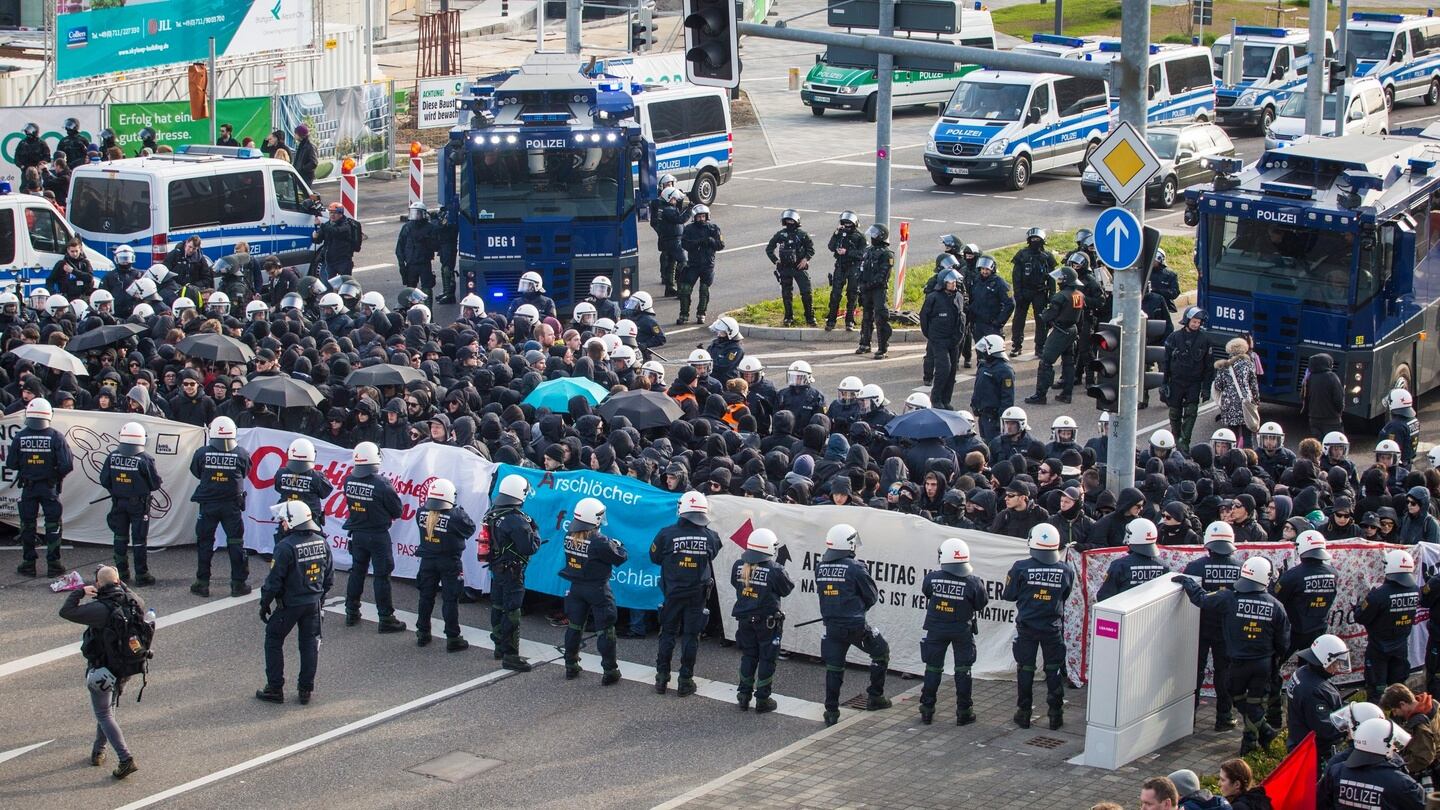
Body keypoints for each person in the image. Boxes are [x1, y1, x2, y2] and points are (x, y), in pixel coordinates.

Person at [1178, 556, 1290, 755]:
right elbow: (1283, 642)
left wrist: (1187, 582)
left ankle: (1250, 745)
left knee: (1236, 697)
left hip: (1237, 664)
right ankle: (1261, 734)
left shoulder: (1229, 598)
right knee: (1255, 702)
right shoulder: (1276, 606)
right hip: (1263, 664)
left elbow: (1201, 599)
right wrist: (1275, 661)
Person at [59, 565, 144, 779]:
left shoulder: (100, 610)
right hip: (127, 667)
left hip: (103, 669)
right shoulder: (135, 602)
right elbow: (126, 591)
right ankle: (98, 751)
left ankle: (125, 759)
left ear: (98, 585)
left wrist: (79, 592)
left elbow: (66, 611)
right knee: (108, 710)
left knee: (104, 713)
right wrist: (114, 578)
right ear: (118, 582)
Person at [255, 500, 333, 705]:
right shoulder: (321, 541)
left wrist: (265, 604)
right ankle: (305, 690)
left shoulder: (285, 547)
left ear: (293, 521)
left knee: (273, 639)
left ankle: (274, 688)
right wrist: (319, 599)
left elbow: (273, 582)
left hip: (290, 605)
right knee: (309, 644)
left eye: (283, 520)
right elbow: (329, 577)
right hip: (313, 603)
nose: (281, 524)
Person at [816, 523, 891, 726]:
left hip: (832, 626)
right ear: (848, 545)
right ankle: (875, 697)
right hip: (855, 626)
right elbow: (872, 596)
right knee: (881, 652)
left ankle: (831, 711)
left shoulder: (820, 567)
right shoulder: (855, 568)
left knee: (834, 667)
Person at [1002, 524, 1075, 730]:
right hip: (1052, 628)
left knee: (1025, 670)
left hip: (1027, 627)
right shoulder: (1065, 569)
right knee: (1053, 670)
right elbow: (1066, 595)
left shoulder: (1020, 567)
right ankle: (1056, 715)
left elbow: (1009, 595)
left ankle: (1024, 713)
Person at [651, 491, 722, 696]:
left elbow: (654, 557)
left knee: (667, 634)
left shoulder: (666, 534)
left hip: (672, 593)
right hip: (697, 595)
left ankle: (662, 678)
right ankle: (685, 680)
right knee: (691, 636)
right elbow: (713, 554)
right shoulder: (711, 536)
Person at [919, 538, 987, 725]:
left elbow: (927, 591)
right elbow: (981, 603)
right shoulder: (973, 581)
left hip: (936, 628)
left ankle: (927, 709)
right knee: (963, 670)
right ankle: (964, 712)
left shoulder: (932, 577)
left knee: (933, 668)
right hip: (961, 630)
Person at [560, 497, 628, 684]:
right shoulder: (599, 540)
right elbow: (620, 558)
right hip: (598, 589)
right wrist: (618, 545)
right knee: (605, 630)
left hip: (576, 589)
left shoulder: (569, 535)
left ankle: (570, 665)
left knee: (574, 627)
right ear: (595, 519)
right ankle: (610, 670)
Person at [342, 442, 407, 635]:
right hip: (378, 535)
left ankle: (351, 611)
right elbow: (397, 510)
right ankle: (386, 618)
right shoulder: (381, 484)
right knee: (381, 576)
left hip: (358, 533)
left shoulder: (348, 480)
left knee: (357, 571)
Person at [7, 397, 74, 578]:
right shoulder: (55, 436)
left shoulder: (20, 436)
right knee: (53, 525)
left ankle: (29, 564)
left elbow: (11, 463)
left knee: (27, 526)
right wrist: (54, 475)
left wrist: (27, 468)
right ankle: (54, 564)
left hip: (28, 488)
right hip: (49, 488)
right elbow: (67, 464)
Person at [1183, 522, 1240, 728]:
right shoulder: (1240, 568)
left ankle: (1188, 717)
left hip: (1200, 626)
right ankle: (1224, 717)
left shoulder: (1195, 567)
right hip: (1227, 629)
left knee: (1194, 672)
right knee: (1224, 671)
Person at [731, 527, 794, 713]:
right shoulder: (775, 570)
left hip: (744, 620)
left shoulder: (738, 565)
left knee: (749, 656)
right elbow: (786, 589)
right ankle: (762, 699)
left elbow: (736, 584)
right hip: (767, 623)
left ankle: (743, 695)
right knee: (767, 659)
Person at [483, 474, 541, 672]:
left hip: (496, 567)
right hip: (513, 571)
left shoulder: (494, 512)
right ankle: (511, 654)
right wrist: (535, 530)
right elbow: (529, 547)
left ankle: (499, 644)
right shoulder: (516, 520)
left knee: (498, 605)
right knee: (512, 611)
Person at [189, 416, 251, 598]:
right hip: (231, 506)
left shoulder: (202, 453)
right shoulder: (241, 453)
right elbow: (246, 472)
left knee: (205, 543)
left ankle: (202, 583)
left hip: (208, 505)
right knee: (236, 543)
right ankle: (238, 584)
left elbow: (196, 471)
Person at [99, 422, 162, 586]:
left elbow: (104, 480)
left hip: (118, 503)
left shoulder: (112, 456)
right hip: (139, 506)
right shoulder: (144, 459)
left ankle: (121, 574)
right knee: (139, 540)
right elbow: (155, 484)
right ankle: (141, 575)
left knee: (120, 538)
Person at [413, 479, 472, 651]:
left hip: (427, 561)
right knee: (450, 599)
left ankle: (422, 632)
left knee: (425, 597)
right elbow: (470, 528)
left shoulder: (421, 512)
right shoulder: (456, 515)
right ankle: (453, 637)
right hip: (449, 562)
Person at [1317, 718, 1425, 810]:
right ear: (1384, 745)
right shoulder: (1403, 784)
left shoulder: (1336, 772)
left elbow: (1319, 803)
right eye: (1392, 743)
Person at [1358, 550, 1421, 703]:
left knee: (1377, 691)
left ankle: (1377, 721)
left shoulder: (1378, 594)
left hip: (1378, 649)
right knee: (1399, 691)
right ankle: (1400, 721)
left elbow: (1360, 617)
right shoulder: (1415, 590)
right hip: (1400, 647)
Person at [1284, 634, 1350, 769]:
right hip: (1312, 754)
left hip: (1298, 742)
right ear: (1325, 660)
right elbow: (1325, 729)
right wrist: (1349, 726)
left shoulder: (1303, 672)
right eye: (1335, 663)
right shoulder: (1313, 690)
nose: (1337, 668)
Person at [1025, 258, 1085, 405]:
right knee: (1069, 362)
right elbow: (1081, 316)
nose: (1058, 281)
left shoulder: (1061, 296)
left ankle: (1040, 395)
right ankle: (1067, 394)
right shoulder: (1079, 295)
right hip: (1072, 330)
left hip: (1060, 331)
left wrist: (1043, 315)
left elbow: (1048, 316)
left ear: (1065, 280)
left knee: (1046, 362)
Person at [1162, 306, 1214, 449]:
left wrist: (1206, 388)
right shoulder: (1174, 338)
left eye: (1198, 322)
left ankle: (1184, 443)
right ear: (1187, 320)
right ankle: (1175, 439)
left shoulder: (1205, 340)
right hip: (1176, 382)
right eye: (1194, 321)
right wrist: (1164, 383)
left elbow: (1209, 367)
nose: (1196, 324)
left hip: (1194, 383)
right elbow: (1166, 362)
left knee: (1191, 412)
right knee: (1174, 412)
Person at [919, 268, 966, 410]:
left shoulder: (958, 296)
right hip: (938, 340)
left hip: (954, 340)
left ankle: (946, 400)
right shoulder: (934, 297)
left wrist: (958, 336)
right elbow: (924, 317)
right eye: (950, 282)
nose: (954, 284)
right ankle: (936, 399)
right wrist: (932, 336)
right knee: (943, 369)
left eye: (954, 282)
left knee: (952, 371)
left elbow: (961, 317)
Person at [1379, 683, 1440, 787]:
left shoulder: (1418, 725)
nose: (1395, 714)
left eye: (1394, 710)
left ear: (1402, 704)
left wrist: (1397, 765)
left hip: (1432, 773)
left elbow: (1423, 758)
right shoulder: (1433, 704)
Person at [765, 209, 817, 327]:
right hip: (785, 268)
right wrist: (776, 261)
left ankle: (810, 317)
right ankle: (788, 317)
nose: (789, 222)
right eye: (787, 220)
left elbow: (811, 249)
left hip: (799, 268)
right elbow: (769, 249)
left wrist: (805, 259)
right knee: (786, 294)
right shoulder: (780, 234)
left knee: (806, 292)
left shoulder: (802, 235)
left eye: (791, 220)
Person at [1096, 518, 1170, 601]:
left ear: (1131, 536)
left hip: (1124, 611)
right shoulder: (1164, 566)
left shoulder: (1119, 566)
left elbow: (1104, 597)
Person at [1009, 227, 1056, 357]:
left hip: (1040, 292)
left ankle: (1040, 346)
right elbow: (1016, 276)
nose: (1035, 241)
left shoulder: (1047, 257)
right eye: (1033, 239)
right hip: (1024, 291)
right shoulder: (1022, 254)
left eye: (1037, 239)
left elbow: (1052, 278)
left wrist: (1052, 294)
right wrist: (1018, 293)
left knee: (1042, 320)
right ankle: (1016, 345)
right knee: (1019, 319)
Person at [853, 223, 895, 357]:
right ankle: (865, 343)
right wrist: (860, 283)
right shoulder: (868, 250)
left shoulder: (887, 254)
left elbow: (882, 276)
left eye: (874, 234)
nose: (872, 237)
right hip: (866, 289)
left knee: (881, 318)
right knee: (866, 317)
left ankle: (883, 347)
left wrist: (868, 285)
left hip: (878, 290)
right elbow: (860, 267)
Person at [678, 204, 723, 325]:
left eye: (703, 216)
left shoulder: (713, 228)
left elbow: (721, 245)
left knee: (704, 290)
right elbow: (684, 244)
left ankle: (701, 313)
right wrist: (698, 243)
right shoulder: (689, 229)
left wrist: (711, 241)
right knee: (685, 290)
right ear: (695, 217)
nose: (701, 219)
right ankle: (684, 314)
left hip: (708, 265)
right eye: (699, 217)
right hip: (693, 265)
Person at [826, 211, 866, 331]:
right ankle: (831, 320)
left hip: (854, 267)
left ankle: (849, 320)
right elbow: (831, 246)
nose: (847, 226)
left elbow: (863, 253)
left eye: (849, 224)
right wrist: (836, 233)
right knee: (835, 294)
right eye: (845, 224)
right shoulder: (839, 234)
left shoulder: (860, 237)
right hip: (840, 266)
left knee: (852, 294)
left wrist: (847, 252)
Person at [970, 334, 1014, 441]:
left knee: (994, 445)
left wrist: (1001, 421)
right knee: (984, 441)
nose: (982, 351)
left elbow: (1007, 399)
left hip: (993, 418)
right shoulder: (983, 366)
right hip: (983, 415)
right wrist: (974, 404)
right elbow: (978, 388)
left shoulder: (1005, 371)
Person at [654, 185, 690, 297]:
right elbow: (680, 219)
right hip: (674, 241)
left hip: (669, 241)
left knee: (671, 264)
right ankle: (681, 290)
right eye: (674, 199)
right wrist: (690, 210)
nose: (676, 201)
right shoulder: (668, 210)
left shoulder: (665, 208)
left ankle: (669, 288)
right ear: (669, 198)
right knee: (683, 263)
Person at [396, 202, 436, 300]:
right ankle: (411, 311)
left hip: (424, 263)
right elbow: (400, 247)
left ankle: (428, 311)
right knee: (410, 290)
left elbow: (436, 245)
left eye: (418, 213)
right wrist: (401, 263)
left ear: (423, 214)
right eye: (413, 213)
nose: (415, 215)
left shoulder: (430, 227)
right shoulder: (406, 227)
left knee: (426, 288)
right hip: (411, 264)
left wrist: (427, 241)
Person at [314, 202, 362, 280]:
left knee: (345, 284)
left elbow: (335, 232)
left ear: (341, 214)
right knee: (327, 287)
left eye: (335, 213)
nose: (332, 215)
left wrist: (321, 225)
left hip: (343, 261)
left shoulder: (346, 225)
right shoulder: (328, 225)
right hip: (329, 262)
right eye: (330, 213)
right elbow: (319, 240)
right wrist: (315, 237)